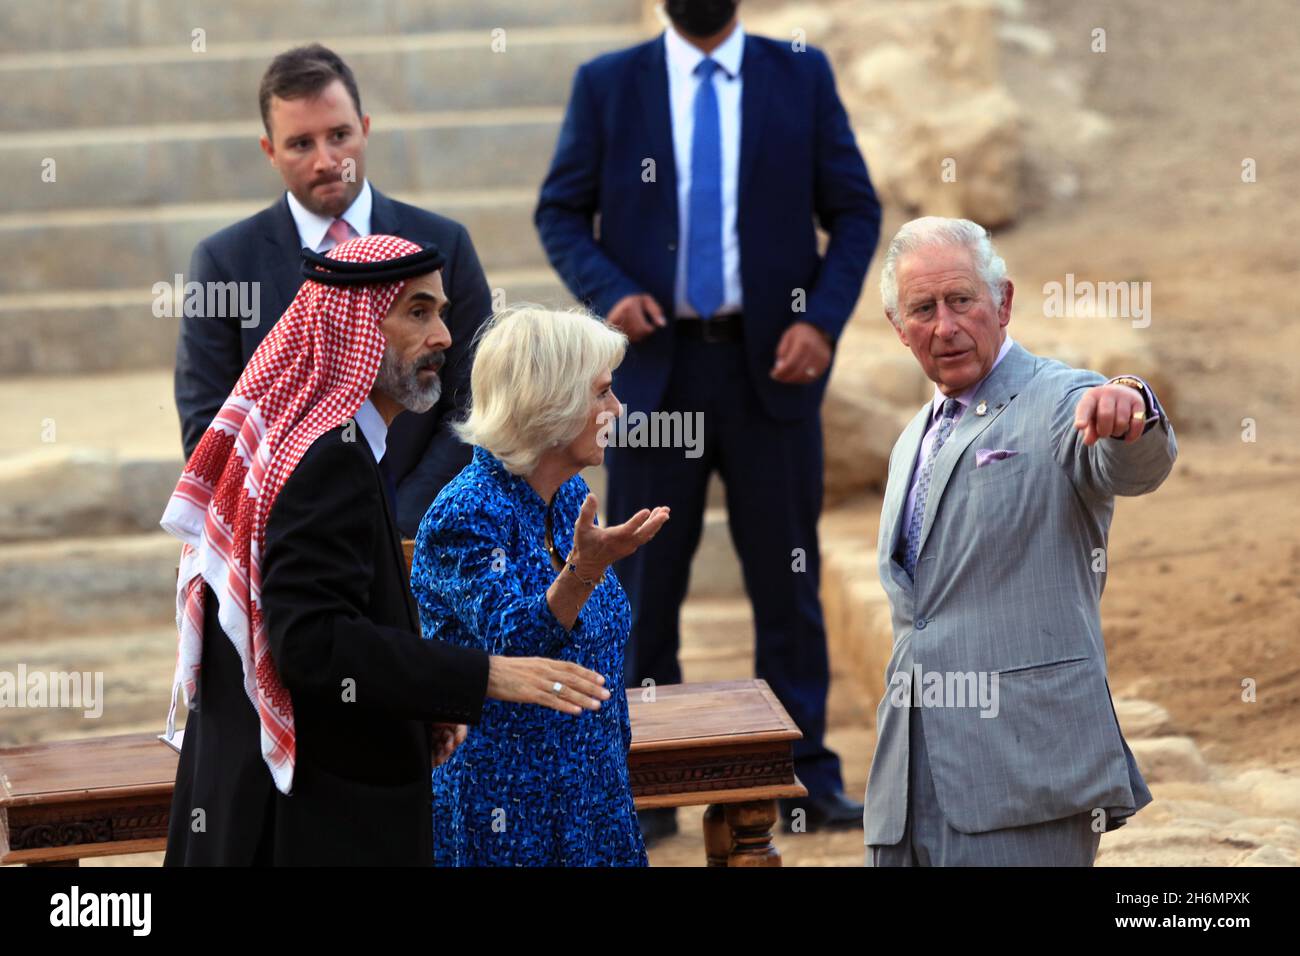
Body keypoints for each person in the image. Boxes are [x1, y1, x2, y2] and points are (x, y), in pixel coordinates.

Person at [535, 0, 881, 841]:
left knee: (786, 583)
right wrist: (611, 292)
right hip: (655, 376)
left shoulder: (797, 73)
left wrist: (821, 322)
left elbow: (857, 210)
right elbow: (559, 211)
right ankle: (644, 780)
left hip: (773, 372)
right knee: (644, 587)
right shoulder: (610, 84)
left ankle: (797, 776)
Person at [161, 237, 611, 866]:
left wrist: (420, 706)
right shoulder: (329, 459)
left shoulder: (344, 445)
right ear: (356, 331)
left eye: (442, 312)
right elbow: (312, 645)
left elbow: (350, 630)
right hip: (305, 828)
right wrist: (485, 675)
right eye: (418, 313)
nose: (446, 337)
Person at [863, 217, 1178, 866]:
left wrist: (1130, 406)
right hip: (908, 785)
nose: (945, 326)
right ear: (899, 329)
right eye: (923, 309)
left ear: (1003, 303)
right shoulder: (911, 439)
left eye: (962, 301)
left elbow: (1132, 460)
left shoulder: (1062, 398)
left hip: (1023, 777)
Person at [173, 43, 492, 535]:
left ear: (364, 129)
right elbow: (211, 424)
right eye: (301, 144)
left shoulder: (444, 244)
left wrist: (399, 525)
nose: (326, 160)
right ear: (269, 152)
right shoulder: (224, 263)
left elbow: (475, 403)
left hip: (426, 535)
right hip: (292, 546)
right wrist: (306, 528)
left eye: (339, 135)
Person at [410, 305, 669, 866]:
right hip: (506, 810)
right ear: (550, 404)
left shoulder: (569, 496)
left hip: (593, 797)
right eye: (602, 393)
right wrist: (585, 572)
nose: (617, 410)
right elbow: (514, 647)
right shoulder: (468, 513)